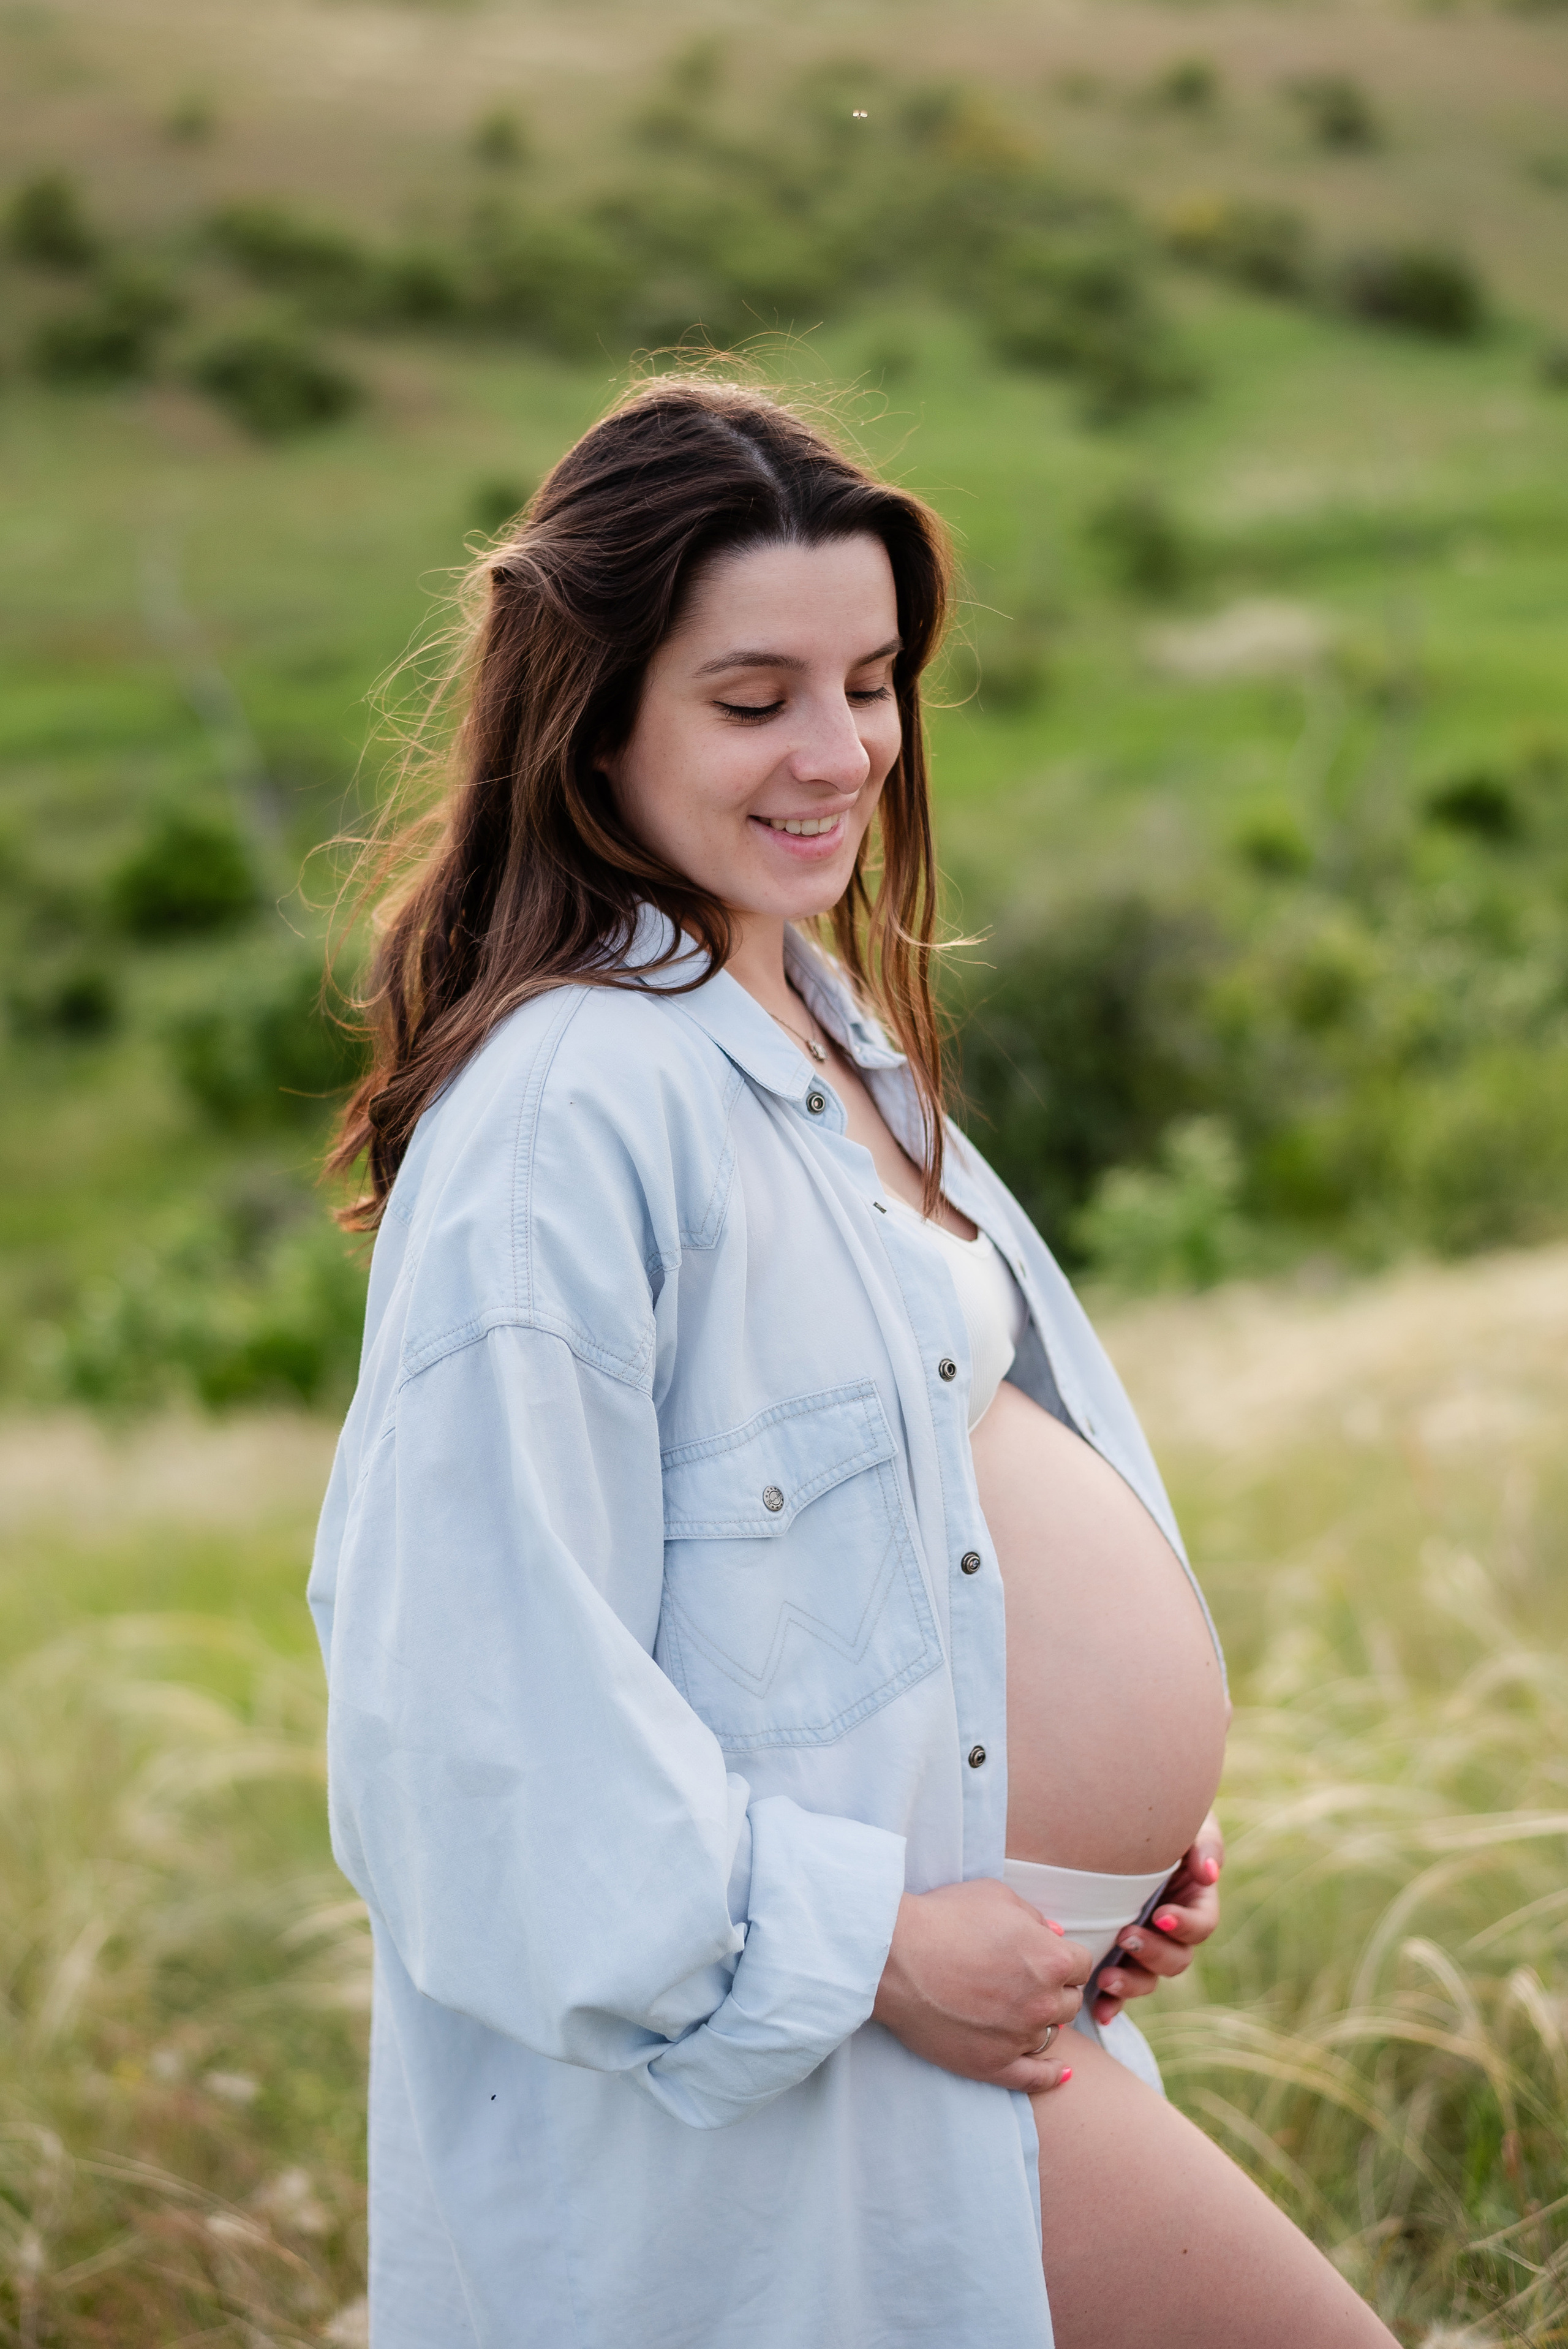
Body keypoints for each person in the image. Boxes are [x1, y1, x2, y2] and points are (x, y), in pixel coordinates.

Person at [311, 376, 1396, 2348]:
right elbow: (464, 1717)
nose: (841, 753)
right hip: (811, 2069)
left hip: (974, 2009)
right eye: (756, 700)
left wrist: (1112, 1860)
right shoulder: (571, 1108)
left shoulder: (818, 1032)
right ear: (597, 711)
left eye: (874, 683)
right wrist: (877, 1944)